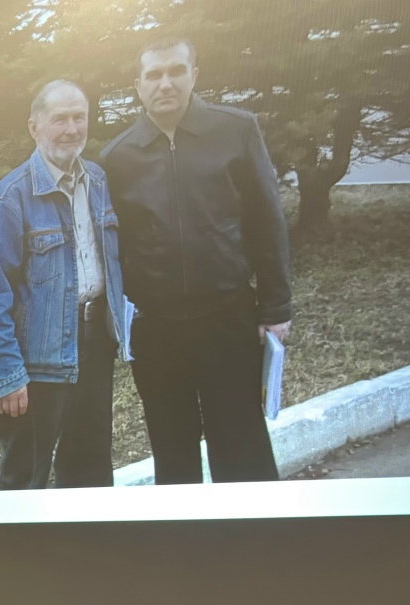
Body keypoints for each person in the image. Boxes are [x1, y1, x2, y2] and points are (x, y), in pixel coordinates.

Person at [99, 38, 292, 484]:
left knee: (240, 438)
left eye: (176, 71)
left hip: (227, 317)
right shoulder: (118, 157)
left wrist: (276, 307)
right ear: (137, 86)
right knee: (172, 446)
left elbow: (267, 220)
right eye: (153, 75)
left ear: (194, 75)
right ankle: (183, 543)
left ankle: (255, 542)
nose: (165, 83)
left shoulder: (236, 130)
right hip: (158, 329)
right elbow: (116, 245)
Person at [0, 79, 130, 490]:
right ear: (34, 127)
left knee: (90, 468)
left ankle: (81, 549)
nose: (72, 129)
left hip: (95, 343)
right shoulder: (8, 200)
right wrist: (7, 375)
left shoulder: (97, 180)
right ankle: (20, 553)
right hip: (37, 357)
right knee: (26, 475)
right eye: (59, 119)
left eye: (80, 118)